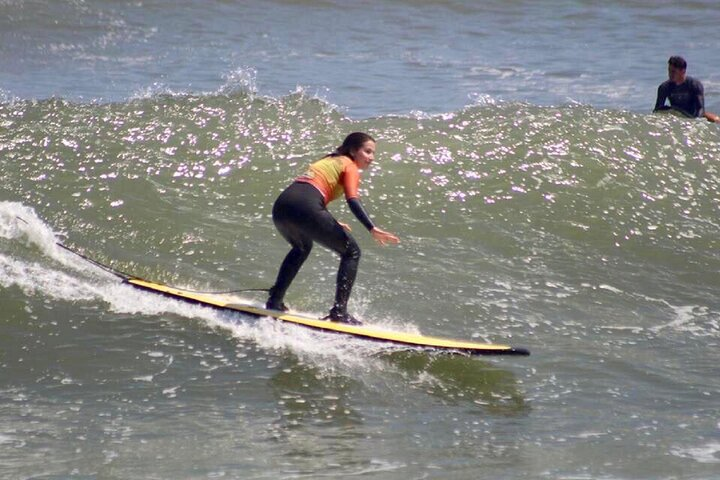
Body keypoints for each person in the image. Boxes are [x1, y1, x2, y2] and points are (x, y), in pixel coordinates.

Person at [266, 132, 400, 325]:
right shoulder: (349, 165)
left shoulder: (329, 160)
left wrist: (328, 219)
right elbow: (352, 199)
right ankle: (339, 312)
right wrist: (371, 227)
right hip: (306, 207)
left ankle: (275, 300)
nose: (372, 158)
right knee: (352, 252)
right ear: (353, 150)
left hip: (282, 206)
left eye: (373, 153)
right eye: (368, 151)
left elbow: (311, 190)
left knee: (301, 247)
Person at [654, 56, 720, 123]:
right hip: (676, 115)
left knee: (716, 120)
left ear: (683, 71)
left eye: (673, 72)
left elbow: (700, 108)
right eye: (669, 70)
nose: (670, 74)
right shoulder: (664, 87)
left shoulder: (694, 85)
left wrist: (696, 122)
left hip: (694, 115)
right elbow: (657, 109)